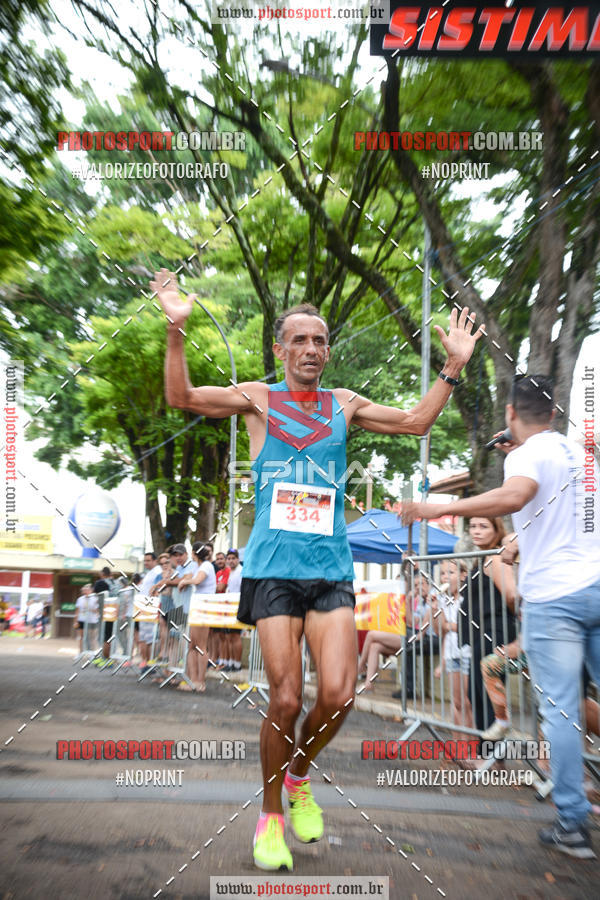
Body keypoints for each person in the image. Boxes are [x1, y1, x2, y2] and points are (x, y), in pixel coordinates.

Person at [153, 266, 483, 871]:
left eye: (320, 340)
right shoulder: (257, 398)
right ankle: (271, 814)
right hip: (272, 569)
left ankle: (299, 774)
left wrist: (452, 367)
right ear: (280, 349)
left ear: (328, 352)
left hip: (329, 568)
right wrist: (176, 330)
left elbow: (416, 422)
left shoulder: (344, 404)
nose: (311, 348)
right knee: (283, 699)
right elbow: (181, 398)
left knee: (337, 693)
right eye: (299, 340)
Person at [403, 373, 600, 859]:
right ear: (554, 413)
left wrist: (432, 510)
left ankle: (573, 823)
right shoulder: (582, 454)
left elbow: (514, 498)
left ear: (511, 413)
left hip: (555, 598)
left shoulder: (531, 456)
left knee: (560, 711)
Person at [460, 517, 517, 733]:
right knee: (477, 694)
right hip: (481, 633)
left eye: (483, 526)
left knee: (486, 696)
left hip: (494, 632)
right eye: (473, 526)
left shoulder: (494, 558)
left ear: (496, 530)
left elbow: (511, 595)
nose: (477, 531)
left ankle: (494, 760)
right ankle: (491, 758)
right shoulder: (481, 558)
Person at [436, 560, 473, 737]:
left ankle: (472, 745)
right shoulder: (443, 599)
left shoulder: (468, 598)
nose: (445, 577)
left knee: (468, 702)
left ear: (462, 575)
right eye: (443, 573)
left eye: (450, 573)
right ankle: (458, 746)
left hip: (467, 652)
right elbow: (440, 628)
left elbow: (467, 627)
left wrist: (451, 626)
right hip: (451, 653)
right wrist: (434, 606)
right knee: (456, 702)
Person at [178, 541, 217, 691]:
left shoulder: (206, 566)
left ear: (194, 553)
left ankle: (200, 681)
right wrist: (185, 581)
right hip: (198, 606)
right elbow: (191, 577)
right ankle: (193, 680)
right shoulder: (198, 566)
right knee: (192, 645)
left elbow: (197, 580)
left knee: (200, 646)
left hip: (204, 607)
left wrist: (185, 582)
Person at [225, 549, 244, 672]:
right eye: (229, 558)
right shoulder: (231, 572)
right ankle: (231, 662)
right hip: (229, 608)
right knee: (229, 637)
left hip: (237, 607)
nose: (231, 561)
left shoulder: (241, 571)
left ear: (238, 559)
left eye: (233, 558)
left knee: (236, 636)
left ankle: (237, 664)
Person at [74, 584, 99, 654]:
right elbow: (77, 611)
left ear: (91, 590)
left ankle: (92, 652)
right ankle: (80, 652)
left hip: (92, 620)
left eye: (87, 590)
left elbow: (98, 611)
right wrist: (76, 621)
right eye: (84, 590)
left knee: (92, 637)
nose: (85, 591)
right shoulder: (80, 599)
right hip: (82, 619)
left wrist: (91, 610)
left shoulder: (95, 599)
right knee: (82, 636)